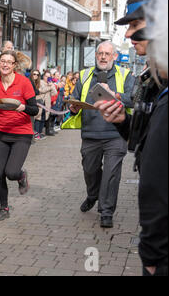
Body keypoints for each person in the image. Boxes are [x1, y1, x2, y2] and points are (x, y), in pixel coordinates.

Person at [95, 0, 167, 276]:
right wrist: (123, 122)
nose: (127, 36)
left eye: (135, 26)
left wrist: (152, 254)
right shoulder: (154, 84)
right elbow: (146, 147)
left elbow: (158, 182)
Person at [63, 40, 135, 228]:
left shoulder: (126, 74)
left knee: (111, 174)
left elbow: (134, 99)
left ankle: (106, 211)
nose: (103, 57)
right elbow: (76, 99)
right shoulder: (85, 74)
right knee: (90, 170)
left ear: (115, 56)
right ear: (96, 55)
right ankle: (93, 195)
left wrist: (116, 95)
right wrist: (73, 107)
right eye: (100, 53)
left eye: (107, 54)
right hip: (90, 134)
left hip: (116, 135)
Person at [0, 50, 38, 221]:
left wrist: (23, 108)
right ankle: (4, 208)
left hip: (21, 133)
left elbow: (34, 109)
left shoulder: (24, 83)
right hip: (1, 133)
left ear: (14, 65)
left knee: (11, 172)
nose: (5, 64)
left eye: (8, 62)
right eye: (2, 61)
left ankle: (21, 176)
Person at [35, 70, 57, 138]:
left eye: (49, 76)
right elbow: (41, 90)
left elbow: (54, 93)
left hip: (47, 103)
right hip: (40, 102)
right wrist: (50, 87)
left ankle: (40, 132)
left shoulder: (50, 84)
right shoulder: (40, 82)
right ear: (43, 76)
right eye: (46, 76)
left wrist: (52, 86)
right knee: (38, 118)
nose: (47, 78)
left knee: (44, 118)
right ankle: (36, 133)